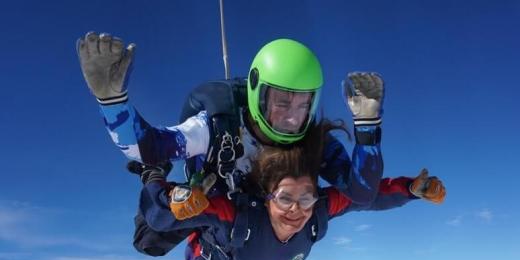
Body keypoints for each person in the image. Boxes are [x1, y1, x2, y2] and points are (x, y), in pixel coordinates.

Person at [77, 32, 385, 214]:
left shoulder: (313, 141)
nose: (293, 117)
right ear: (256, 93)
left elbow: (361, 192)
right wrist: (113, 102)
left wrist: (367, 124)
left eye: (305, 105)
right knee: (161, 224)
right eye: (281, 103)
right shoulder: (215, 128)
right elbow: (147, 147)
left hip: (272, 217)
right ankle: (155, 180)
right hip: (219, 211)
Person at [133, 120, 446, 260]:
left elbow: (367, 198)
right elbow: (160, 218)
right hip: (218, 258)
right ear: (267, 198)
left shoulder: (317, 212)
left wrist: (411, 189)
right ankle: (160, 174)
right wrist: (159, 185)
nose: (297, 209)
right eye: (285, 198)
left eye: (306, 197)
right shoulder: (233, 214)